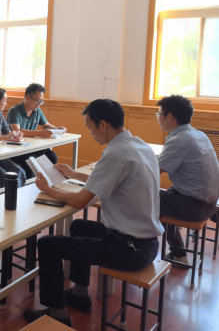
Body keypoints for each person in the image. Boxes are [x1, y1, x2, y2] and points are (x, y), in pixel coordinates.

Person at [23, 99, 164, 326]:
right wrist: (73, 174)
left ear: (103, 124)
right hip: (146, 243)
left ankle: (57, 313)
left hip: (129, 249)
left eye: (90, 128)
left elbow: (80, 201)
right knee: (79, 226)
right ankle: (80, 294)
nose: (90, 133)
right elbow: (108, 179)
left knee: (48, 244)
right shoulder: (139, 145)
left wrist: (48, 189)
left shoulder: (115, 154)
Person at [155, 95, 219, 265]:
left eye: (158, 114)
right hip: (211, 204)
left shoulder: (179, 140)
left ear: (169, 117)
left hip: (195, 207)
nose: (158, 118)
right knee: (163, 195)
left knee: (146, 198)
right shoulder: (198, 134)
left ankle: (176, 253)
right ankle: (178, 252)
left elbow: (151, 172)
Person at [7, 83, 66, 178]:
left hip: (31, 147)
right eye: (37, 101)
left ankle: (47, 181)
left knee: (52, 156)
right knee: (31, 159)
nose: (39, 104)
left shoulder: (37, 110)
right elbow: (16, 131)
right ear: (28, 97)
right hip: (16, 149)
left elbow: (46, 125)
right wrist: (40, 133)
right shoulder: (14, 111)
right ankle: (29, 184)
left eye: (41, 102)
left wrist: (56, 129)